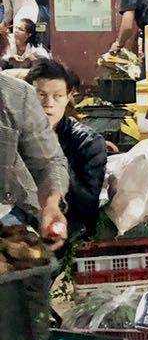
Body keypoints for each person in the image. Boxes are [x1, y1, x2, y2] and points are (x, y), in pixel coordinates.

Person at [0, 69, 67, 340]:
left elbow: (47, 161)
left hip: (2, 218)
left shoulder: (15, 95)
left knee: (13, 330)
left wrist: (50, 206)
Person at [28, 59, 106, 241]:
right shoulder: (17, 135)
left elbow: (87, 206)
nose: (49, 103)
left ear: (68, 96)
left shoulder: (88, 143)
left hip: (67, 228)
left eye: (57, 96)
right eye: (41, 95)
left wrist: (55, 155)